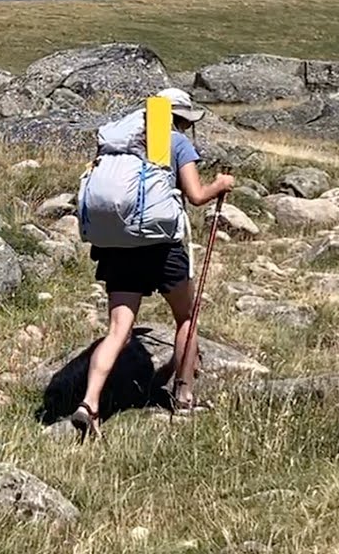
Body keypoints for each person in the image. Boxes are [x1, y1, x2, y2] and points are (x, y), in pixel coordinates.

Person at [71, 88, 234, 440]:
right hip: (162, 245)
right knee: (187, 317)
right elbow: (196, 196)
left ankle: (89, 403)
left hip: (118, 245)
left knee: (118, 331)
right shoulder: (176, 144)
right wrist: (220, 184)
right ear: (182, 119)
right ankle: (184, 394)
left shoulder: (120, 143)